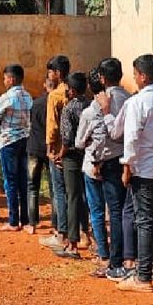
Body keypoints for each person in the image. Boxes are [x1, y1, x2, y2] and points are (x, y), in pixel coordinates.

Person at [98, 54, 153, 293]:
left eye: (135, 74)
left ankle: (143, 276)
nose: (134, 78)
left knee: (145, 220)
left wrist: (127, 166)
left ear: (143, 76)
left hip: (145, 170)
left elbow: (126, 136)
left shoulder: (138, 103)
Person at [79, 60, 131, 280]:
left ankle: (113, 260)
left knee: (109, 211)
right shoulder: (129, 98)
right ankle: (127, 257)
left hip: (107, 161)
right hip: (126, 159)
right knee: (124, 211)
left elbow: (92, 138)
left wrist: (96, 156)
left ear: (102, 78)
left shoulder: (101, 102)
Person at [0, 64, 33, 232]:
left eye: (6, 77)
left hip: (8, 142)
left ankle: (13, 221)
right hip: (24, 140)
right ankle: (25, 219)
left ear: (12, 79)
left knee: (10, 181)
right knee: (23, 180)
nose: (4, 80)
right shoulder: (28, 96)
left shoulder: (7, 98)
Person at [53, 72, 90, 259]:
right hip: (89, 156)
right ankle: (88, 236)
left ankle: (73, 243)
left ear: (72, 91)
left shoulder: (68, 109)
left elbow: (67, 139)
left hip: (72, 157)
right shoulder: (91, 105)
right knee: (86, 197)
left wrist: (60, 154)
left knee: (73, 197)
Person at [40, 55, 71, 249]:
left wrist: (50, 149)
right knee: (76, 193)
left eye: (51, 71)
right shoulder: (76, 90)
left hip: (60, 149)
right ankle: (81, 233)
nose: (49, 75)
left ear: (58, 73)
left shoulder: (55, 95)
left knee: (59, 191)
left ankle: (62, 233)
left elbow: (52, 126)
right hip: (77, 149)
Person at [27, 75, 57, 235]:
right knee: (54, 188)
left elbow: (30, 122)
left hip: (34, 148)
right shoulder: (59, 102)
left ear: (45, 85)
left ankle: (32, 223)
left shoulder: (36, 103)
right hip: (51, 149)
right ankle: (56, 224)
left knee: (33, 187)